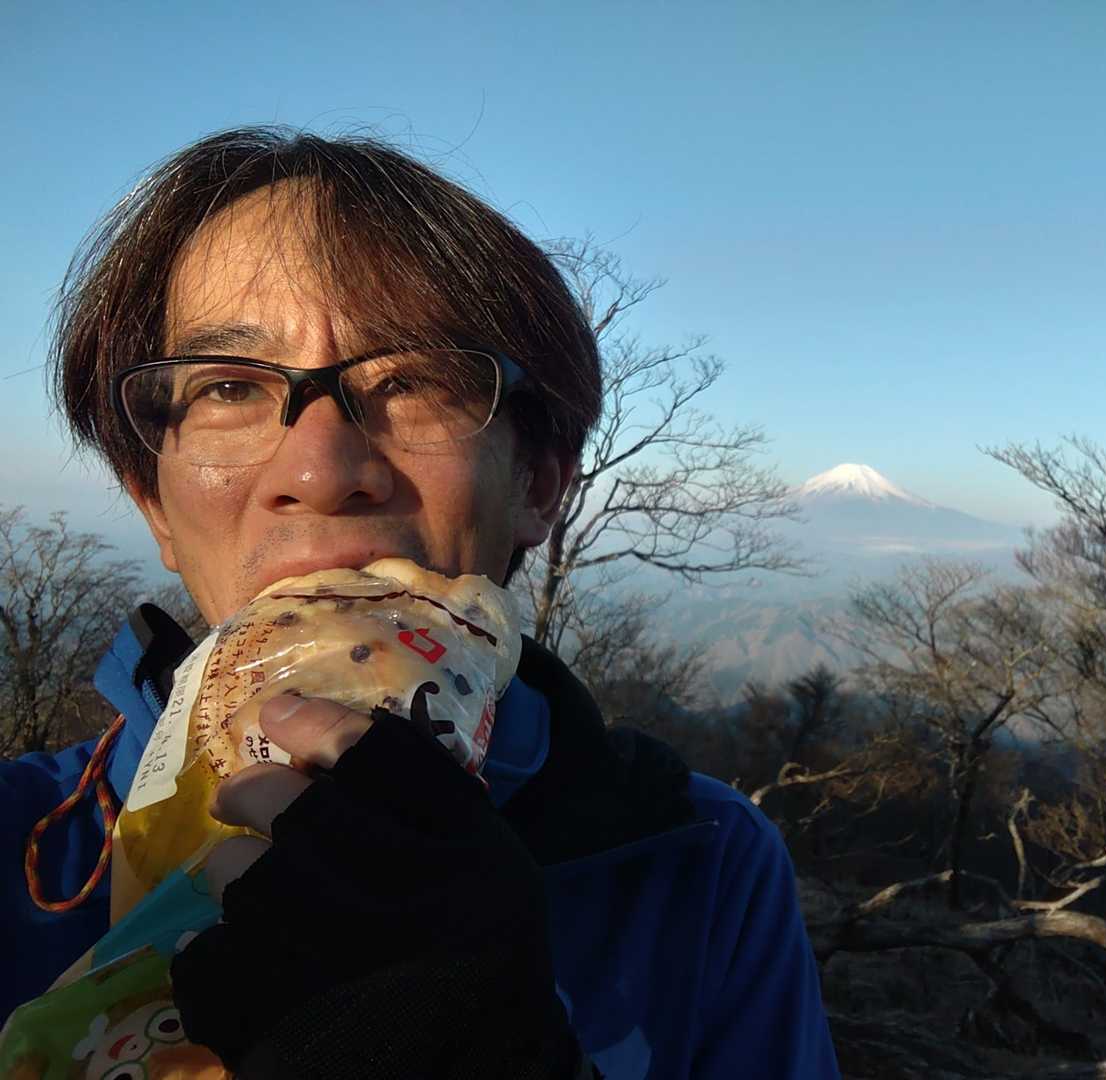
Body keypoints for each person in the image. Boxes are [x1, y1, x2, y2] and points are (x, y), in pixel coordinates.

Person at [1, 128, 840, 1078]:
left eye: (410, 380)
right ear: (154, 502)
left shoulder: (696, 867)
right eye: (229, 386)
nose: (322, 471)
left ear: (537, 483)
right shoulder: (23, 852)